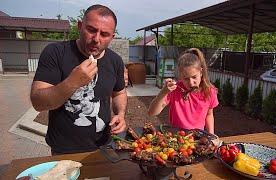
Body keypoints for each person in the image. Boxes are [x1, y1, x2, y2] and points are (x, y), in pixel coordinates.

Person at [30, 4, 127, 154]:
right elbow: (38, 102)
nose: (96, 39)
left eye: (104, 34)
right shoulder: (55, 53)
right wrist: (73, 82)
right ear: (80, 26)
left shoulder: (115, 61)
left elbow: (119, 93)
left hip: (104, 147)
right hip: (64, 150)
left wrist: (120, 114)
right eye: (91, 30)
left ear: (112, 37)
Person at [148, 48, 219, 134]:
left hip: (198, 138)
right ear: (180, 76)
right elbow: (152, 112)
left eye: (194, 77)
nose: (191, 83)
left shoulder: (210, 91)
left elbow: (209, 114)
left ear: (201, 72)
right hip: (177, 137)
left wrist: (211, 135)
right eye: (186, 79)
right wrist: (163, 92)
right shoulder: (175, 89)